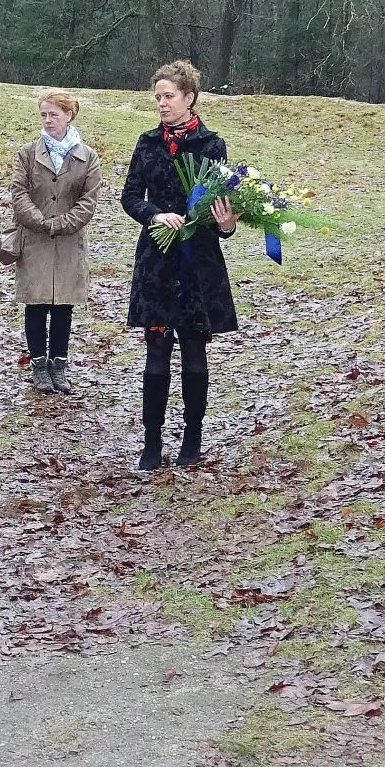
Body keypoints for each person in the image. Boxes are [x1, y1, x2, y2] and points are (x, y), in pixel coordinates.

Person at [122, 59, 240, 470]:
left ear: (189, 98)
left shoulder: (212, 145)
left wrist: (226, 226)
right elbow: (130, 196)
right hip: (157, 258)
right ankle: (151, 444)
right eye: (157, 97)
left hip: (197, 260)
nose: (161, 104)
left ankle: (193, 439)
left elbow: (222, 206)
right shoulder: (147, 142)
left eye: (168, 96)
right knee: (156, 352)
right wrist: (154, 214)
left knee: (193, 352)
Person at [11, 89, 105, 394]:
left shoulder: (87, 157)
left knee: (64, 306)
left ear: (69, 115)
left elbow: (88, 202)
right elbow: (18, 193)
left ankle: (59, 366)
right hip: (34, 240)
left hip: (69, 242)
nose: (48, 120)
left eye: (54, 114)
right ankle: (39, 366)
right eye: (43, 115)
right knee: (36, 304)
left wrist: (61, 224)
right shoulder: (27, 153)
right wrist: (40, 222)